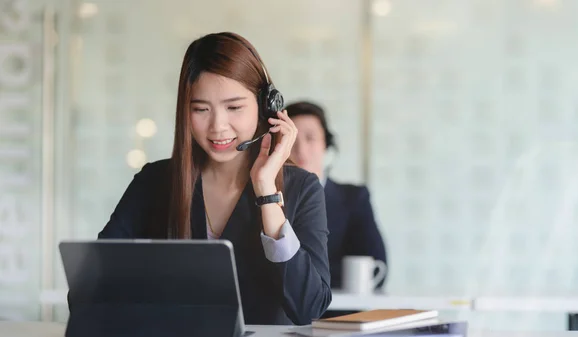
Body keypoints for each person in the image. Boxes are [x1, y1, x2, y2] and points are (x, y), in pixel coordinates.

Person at [93, 33, 332, 325]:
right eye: (201, 109)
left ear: (265, 107)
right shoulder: (155, 182)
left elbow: (309, 307)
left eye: (234, 108)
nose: (218, 126)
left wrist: (267, 194)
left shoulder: (302, 188)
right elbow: (94, 283)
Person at [286, 101, 387, 290]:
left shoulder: (354, 198)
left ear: (326, 144)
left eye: (310, 138)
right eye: (291, 140)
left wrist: (300, 275)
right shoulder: (266, 198)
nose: (300, 149)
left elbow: (377, 266)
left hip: (339, 313)